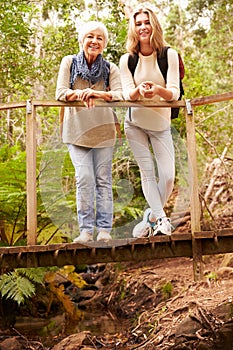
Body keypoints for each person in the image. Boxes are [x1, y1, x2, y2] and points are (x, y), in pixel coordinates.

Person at [56, 21, 123, 243]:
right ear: (82, 40)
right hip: (76, 131)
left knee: (103, 180)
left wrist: (100, 95)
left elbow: (120, 94)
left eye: (99, 38)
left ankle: (104, 229)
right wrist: (80, 94)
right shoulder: (69, 62)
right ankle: (85, 230)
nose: (94, 41)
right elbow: (60, 92)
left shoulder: (110, 68)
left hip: (104, 132)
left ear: (104, 44)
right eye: (90, 37)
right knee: (84, 178)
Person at [119, 6, 180, 237]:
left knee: (168, 176)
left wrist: (157, 90)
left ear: (154, 25)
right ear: (133, 29)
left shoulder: (169, 55)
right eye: (138, 23)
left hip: (161, 125)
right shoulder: (127, 60)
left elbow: (174, 93)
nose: (143, 27)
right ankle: (162, 220)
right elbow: (126, 94)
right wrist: (138, 92)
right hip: (134, 125)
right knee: (147, 173)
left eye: (147, 22)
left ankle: (151, 217)